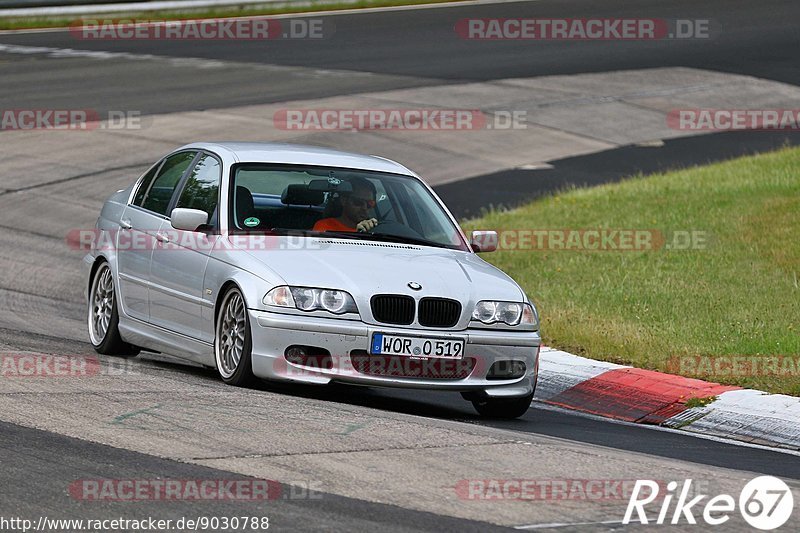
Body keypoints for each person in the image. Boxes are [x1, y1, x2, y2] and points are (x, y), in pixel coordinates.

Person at [313, 177, 378, 233]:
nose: (365, 208)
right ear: (343, 200)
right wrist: (359, 233)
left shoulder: (378, 229)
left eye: (370, 203)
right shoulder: (325, 226)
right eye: (358, 202)